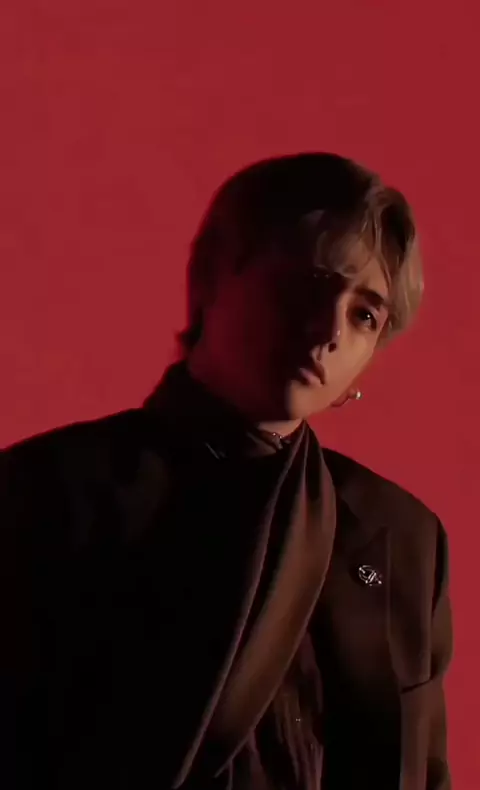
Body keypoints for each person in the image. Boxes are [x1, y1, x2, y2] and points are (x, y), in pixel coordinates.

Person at [1, 153, 452, 790]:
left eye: (365, 315)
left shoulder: (403, 538)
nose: (330, 330)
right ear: (211, 277)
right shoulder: (47, 494)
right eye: (310, 286)